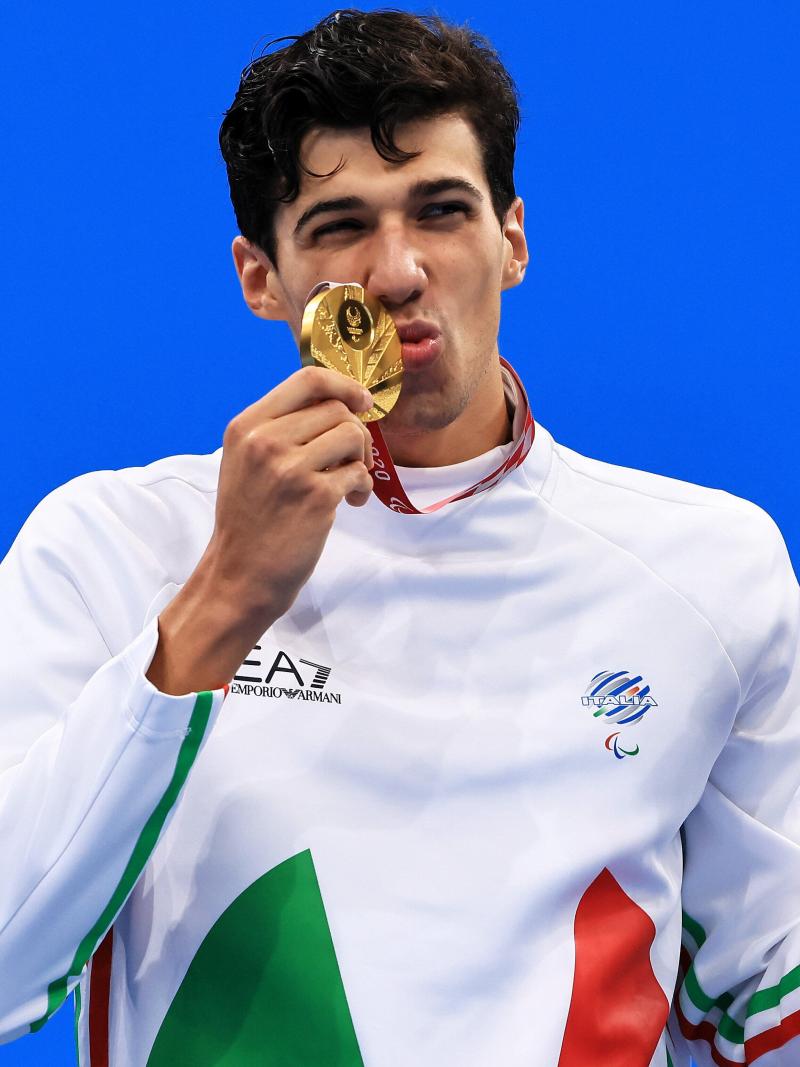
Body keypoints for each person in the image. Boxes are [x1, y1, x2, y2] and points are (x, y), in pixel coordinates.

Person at [0, 9, 798, 1066]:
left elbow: (765, 1005)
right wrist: (224, 597)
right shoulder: (106, 545)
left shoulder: (709, 568)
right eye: (337, 225)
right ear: (260, 275)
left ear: (509, 239)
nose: (397, 270)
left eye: (440, 210)